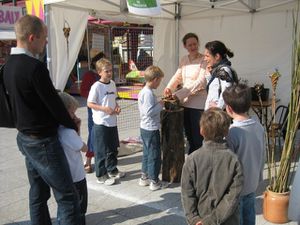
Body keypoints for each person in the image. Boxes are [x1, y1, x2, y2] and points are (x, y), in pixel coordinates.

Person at [3, 15, 81, 224]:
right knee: (68, 198)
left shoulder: (8, 65)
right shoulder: (34, 67)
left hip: (25, 137)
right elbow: (54, 105)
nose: (46, 42)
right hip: (42, 141)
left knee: (38, 193)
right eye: (44, 38)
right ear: (31, 38)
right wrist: (71, 123)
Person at [181, 108, 243, 225]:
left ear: (201, 131)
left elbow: (187, 194)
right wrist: (212, 220)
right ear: (226, 132)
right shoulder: (233, 160)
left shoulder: (192, 159)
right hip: (227, 220)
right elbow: (233, 197)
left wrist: (194, 219)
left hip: (199, 219)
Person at [223, 83, 265, 225]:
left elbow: (228, 166)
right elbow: (262, 156)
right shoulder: (259, 126)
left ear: (228, 108)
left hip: (236, 189)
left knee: (237, 219)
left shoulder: (231, 133)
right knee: (249, 216)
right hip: (252, 184)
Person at [163, 33, 207, 154]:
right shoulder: (184, 59)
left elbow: (201, 82)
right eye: (190, 45)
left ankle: (199, 161)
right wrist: (169, 88)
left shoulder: (204, 59)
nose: (193, 47)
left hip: (198, 105)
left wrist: (180, 93)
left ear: (198, 44)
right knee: (189, 136)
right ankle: (192, 161)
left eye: (195, 44)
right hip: (185, 103)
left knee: (198, 137)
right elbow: (177, 76)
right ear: (185, 46)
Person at [87, 58, 125, 185]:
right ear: (99, 72)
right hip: (101, 123)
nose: (109, 73)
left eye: (110, 71)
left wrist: (117, 106)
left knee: (113, 148)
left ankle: (112, 170)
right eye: (106, 71)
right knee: (101, 150)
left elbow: (114, 99)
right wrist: (103, 108)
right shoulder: (96, 86)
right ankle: (101, 175)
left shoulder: (113, 83)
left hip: (112, 122)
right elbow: (90, 103)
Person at [58, 92, 88, 225]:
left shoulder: (57, 129)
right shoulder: (68, 132)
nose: (74, 116)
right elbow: (83, 147)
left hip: (64, 175)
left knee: (64, 205)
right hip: (76, 176)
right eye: (72, 113)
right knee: (80, 207)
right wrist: (78, 128)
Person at [138, 65, 167, 191]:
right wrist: (161, 104)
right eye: (159, 80)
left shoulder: (145, 92)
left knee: (146, 152)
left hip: (145, 128)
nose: (159, 83)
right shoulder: (148, 93)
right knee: (154, 155)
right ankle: (154, 181)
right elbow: (149, 112)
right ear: (155, 79)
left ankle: (144, 177)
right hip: (151, 128)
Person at [80, 49, 105, 173]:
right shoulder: (89, 75)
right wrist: (95, 96)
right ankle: (88, 160)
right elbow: (83, 91)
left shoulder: (105, 75)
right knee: (93, 133)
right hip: (94, 109)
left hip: (105, 110)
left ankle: (102, 158)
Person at [204, 40, 238, 110]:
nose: (205, 59)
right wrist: (209, 76)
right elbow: (214, 90)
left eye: (207, 56)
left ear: (217, 56)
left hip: (218, 116)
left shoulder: (224, 70)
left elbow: (226, 92)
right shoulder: (218, 70)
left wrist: (218, 108)